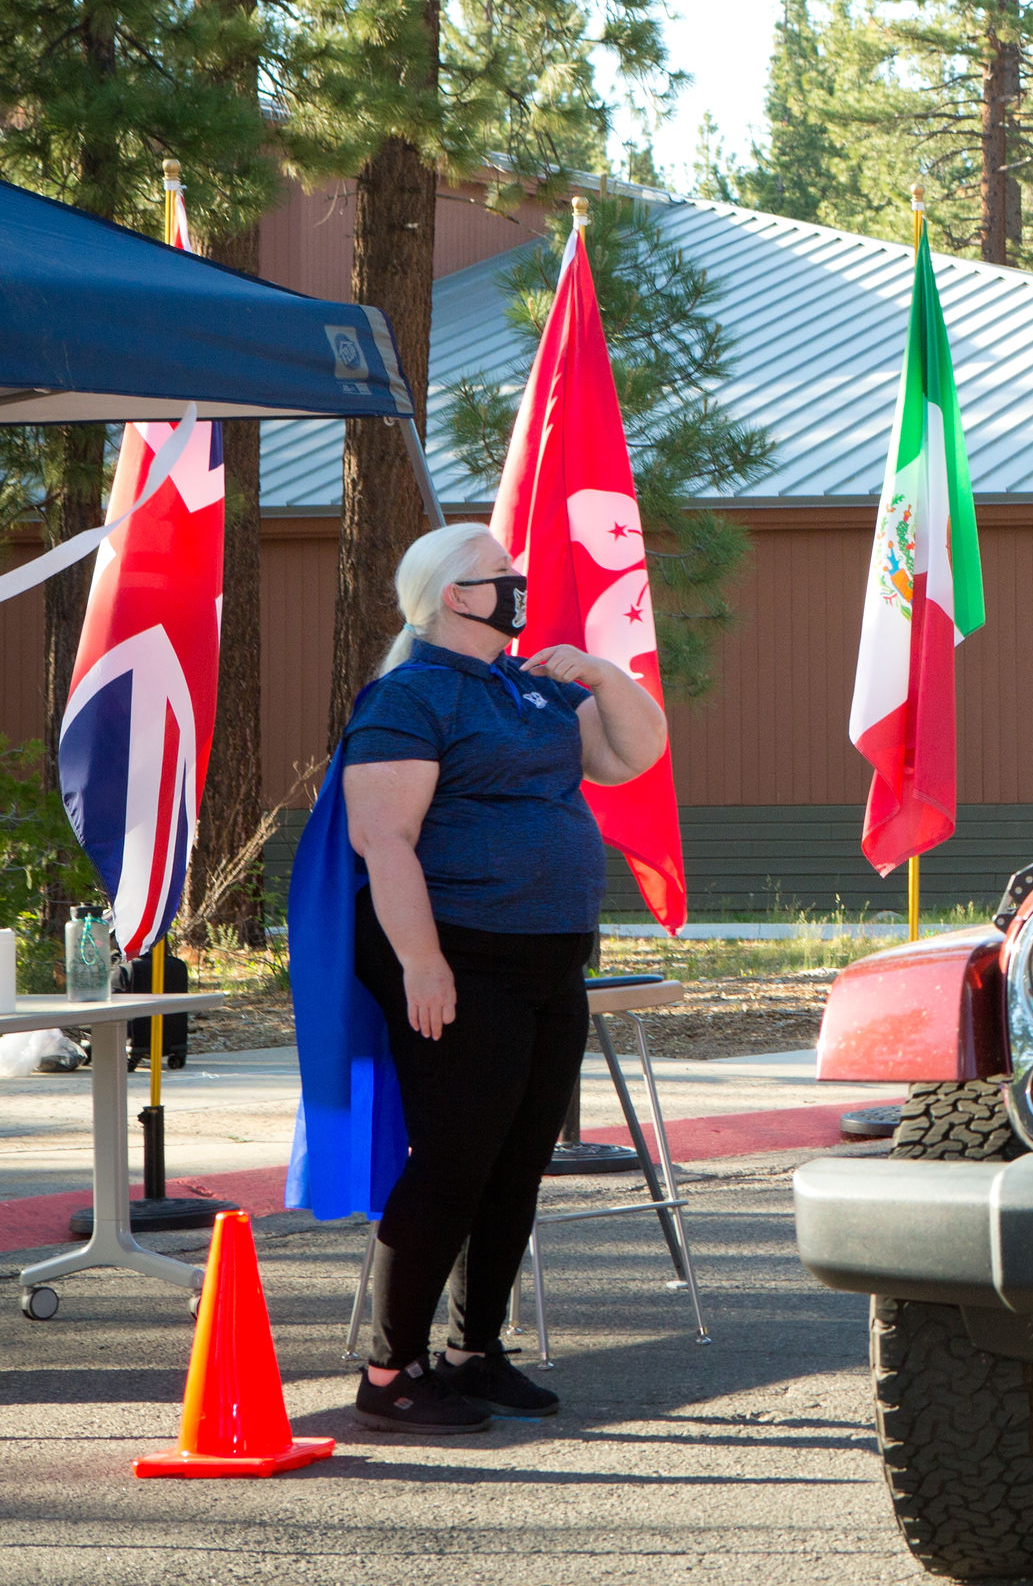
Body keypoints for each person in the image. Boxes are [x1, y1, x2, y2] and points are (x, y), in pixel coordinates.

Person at [338, 520, 666, 1438]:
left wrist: (605, 676)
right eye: (500, 576)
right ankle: (389, 1373)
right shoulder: (410, 697)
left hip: (549, 958)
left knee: (518, 1161)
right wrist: (423, 962)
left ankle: (474, 1349)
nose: (518, 587)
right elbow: (385, 840)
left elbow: (633, 755)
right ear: (455, 596)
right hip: (463, 956)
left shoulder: (531, 692)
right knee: (452, 1161)